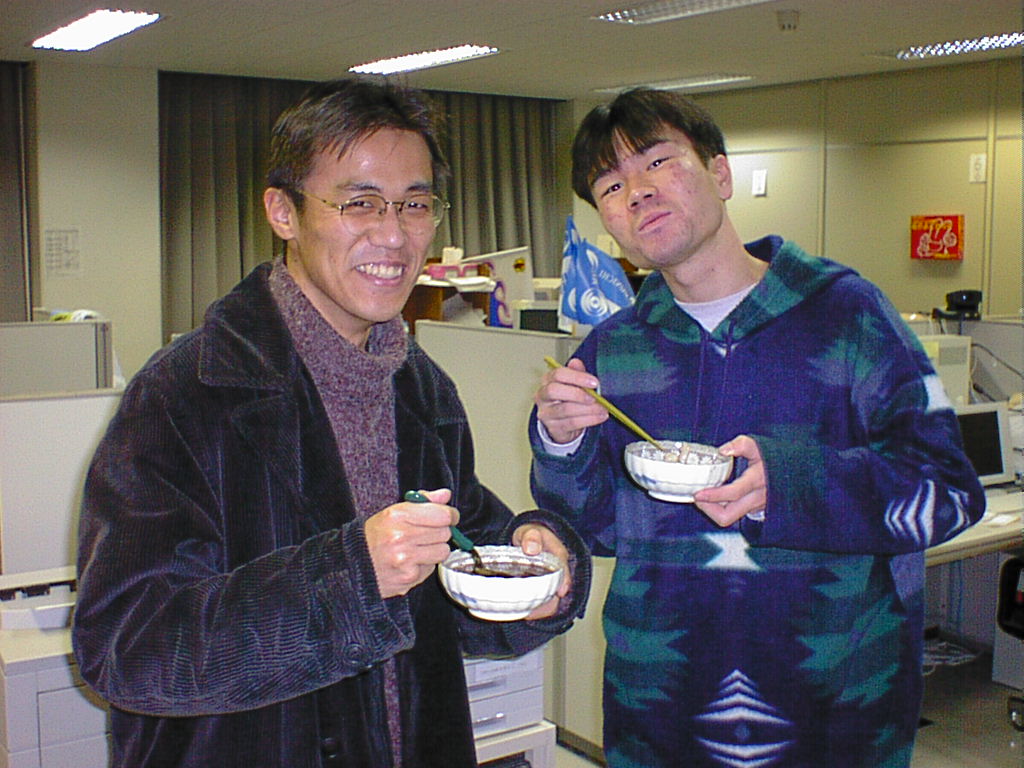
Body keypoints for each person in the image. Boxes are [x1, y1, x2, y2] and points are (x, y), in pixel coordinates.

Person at [72, 78, 590, 768]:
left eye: (415, 204)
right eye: (359, 203)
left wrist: (532, 569)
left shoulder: (420, 387)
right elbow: (127, 651)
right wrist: (351, 578)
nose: (394, 235)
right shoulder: (185, 394)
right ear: (283, 212)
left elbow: (453, 566)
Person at [530, 88, 985, 768]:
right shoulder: (615, 349)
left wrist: (793, 484)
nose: (638, 192)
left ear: (720, 173)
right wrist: (561, 444)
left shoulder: (846, 316)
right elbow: (595, 529)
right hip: (659, 709)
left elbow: (947, 492)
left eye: (658, 162)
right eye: (611, 186)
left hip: (834, 713)